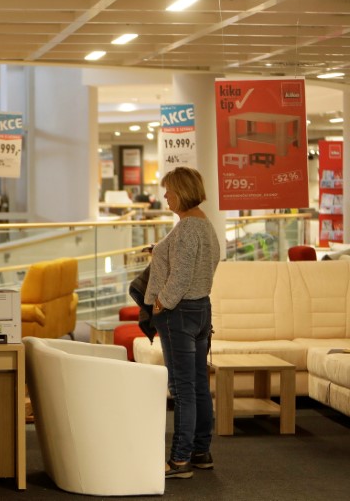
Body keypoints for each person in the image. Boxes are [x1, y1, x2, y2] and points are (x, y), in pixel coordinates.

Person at [143, 167, 220, 480]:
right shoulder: (205, 224)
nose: (165, 196)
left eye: (169, 190)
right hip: (201, 310)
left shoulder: (188, 227)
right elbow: (207, 265)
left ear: (183, 191)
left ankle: (180, 459)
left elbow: (182, 275)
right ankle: (201, 451)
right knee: (198, 385)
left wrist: (161, 303)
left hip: (180, 314)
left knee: (183, 389)